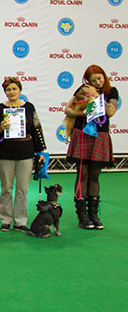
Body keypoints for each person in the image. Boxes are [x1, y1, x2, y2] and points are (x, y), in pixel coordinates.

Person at [64, 65, 119, 230]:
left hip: (100, 135)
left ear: (104, 76)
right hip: (82, 134)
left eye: (99, 78)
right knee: (83, 173)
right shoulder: (83, 89)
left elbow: (111, 112)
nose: (97, 82)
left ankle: (93, 214)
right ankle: (82, 216)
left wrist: (96, 96)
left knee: (94, 175)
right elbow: (68, 109)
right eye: (93, 80)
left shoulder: (111, 92)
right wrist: (82, 114)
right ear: (88, 80)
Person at [0, 77, 46, 233]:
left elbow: (36, 128)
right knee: (6, 188)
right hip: (5, 152)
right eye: (8, 89)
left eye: (14, 89)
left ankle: (20, 221)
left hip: (26, 151)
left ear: (20, 90)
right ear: (5, 92)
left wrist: (41, 151)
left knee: (22, 189)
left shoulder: (29, 107)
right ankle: (6, 220)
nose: (11, 92)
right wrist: (0, 128)